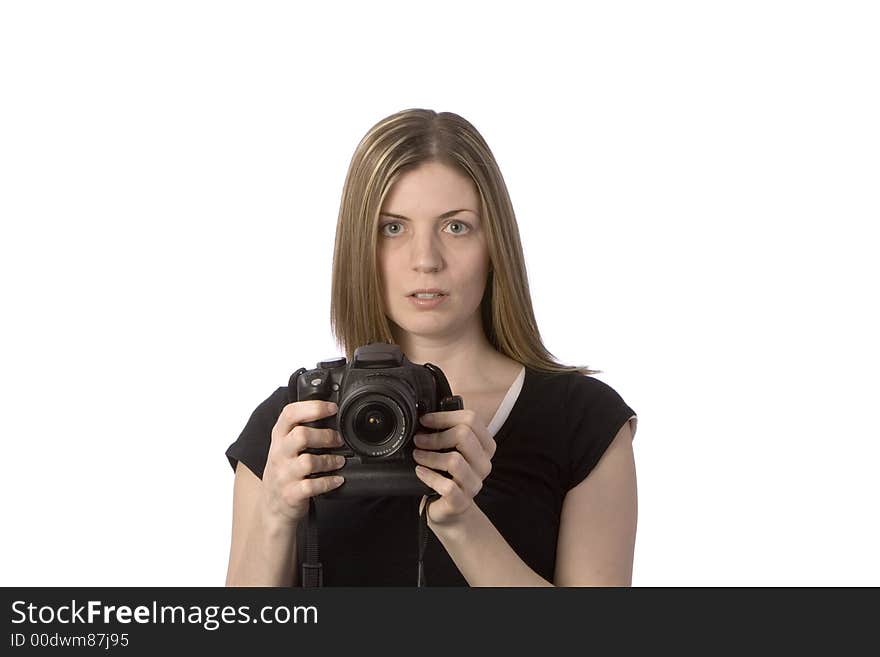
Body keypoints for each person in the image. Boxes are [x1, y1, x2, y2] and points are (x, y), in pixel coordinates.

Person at [224, 108, 639, 586]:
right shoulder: (296, 423)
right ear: (361, 247)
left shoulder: (583, 422)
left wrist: (463, 522)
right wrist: (276, 515)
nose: (426, 260)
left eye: (456, 226)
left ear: (495, 244)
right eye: (393, 228)